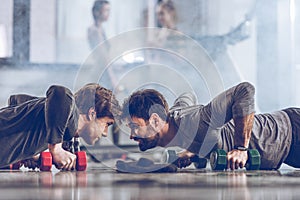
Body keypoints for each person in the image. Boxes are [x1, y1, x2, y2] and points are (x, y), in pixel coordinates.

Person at [122, 82, 300, 170]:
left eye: (134, 126)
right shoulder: (176, 117)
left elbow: (245, 90)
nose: (132, 135)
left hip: (292, 130)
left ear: (154, 121)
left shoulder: (197, 120)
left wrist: (240, 148)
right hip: (286, 151)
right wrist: (196, 149)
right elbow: (187, 95)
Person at [0, 83, 121, 170]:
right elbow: (60, 92)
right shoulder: (72, 115)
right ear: (92, 113)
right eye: (107, 124)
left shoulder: (56, 121)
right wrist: (56, 148)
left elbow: (15, 99)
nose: (105, 133)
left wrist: (28, 154)